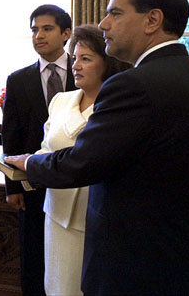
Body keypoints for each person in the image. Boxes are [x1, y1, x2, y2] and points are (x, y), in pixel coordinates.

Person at [5, 0, 189, 295]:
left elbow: (80, 163)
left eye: (116, 13)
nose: (104, 23)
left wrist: (28, 162)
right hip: (184, 259)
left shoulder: (131, 85)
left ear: (153, 20)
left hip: (131, 263)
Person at [38, 24, 130, 295]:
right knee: (56, 287)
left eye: (86, 59)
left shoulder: (120, 106)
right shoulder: (60, 101)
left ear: (107, 63)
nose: (75, 65)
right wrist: (24, 166)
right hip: (56, 213)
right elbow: (46, 148)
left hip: (95, 218)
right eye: (75, 58)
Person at [2, 4, 75, 296]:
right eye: (34, 30)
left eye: (46, 28)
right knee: (33, 256)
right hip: (32, 185)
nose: (38, 35)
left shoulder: (89, 70)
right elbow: (11, 138)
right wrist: (12, 186)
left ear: (66, 33)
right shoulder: (18, 80)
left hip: (77, 184)